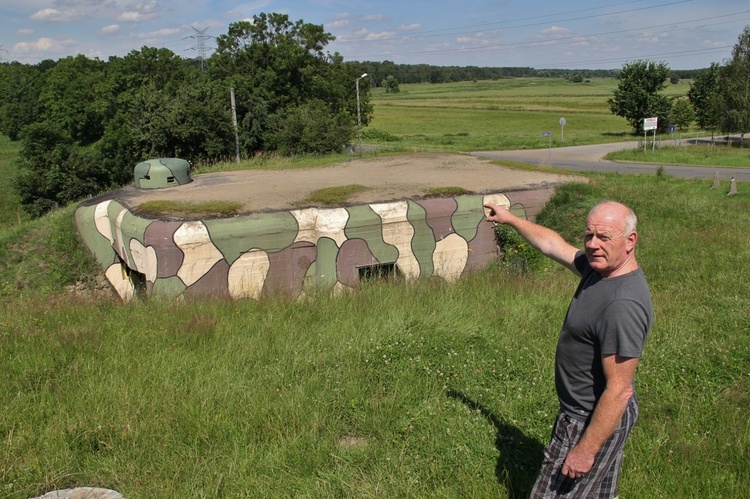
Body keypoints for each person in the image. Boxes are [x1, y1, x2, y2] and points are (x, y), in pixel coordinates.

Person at [484, 200, 653, 498]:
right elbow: (553, 245)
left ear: (631, 241)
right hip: (589, 412)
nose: (593, 245)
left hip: (588, 418)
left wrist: (586, 450)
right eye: (589, 236)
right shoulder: (599, 270)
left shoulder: (622, 304)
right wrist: (511, 219)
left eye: (604, 237)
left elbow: (619, 390)